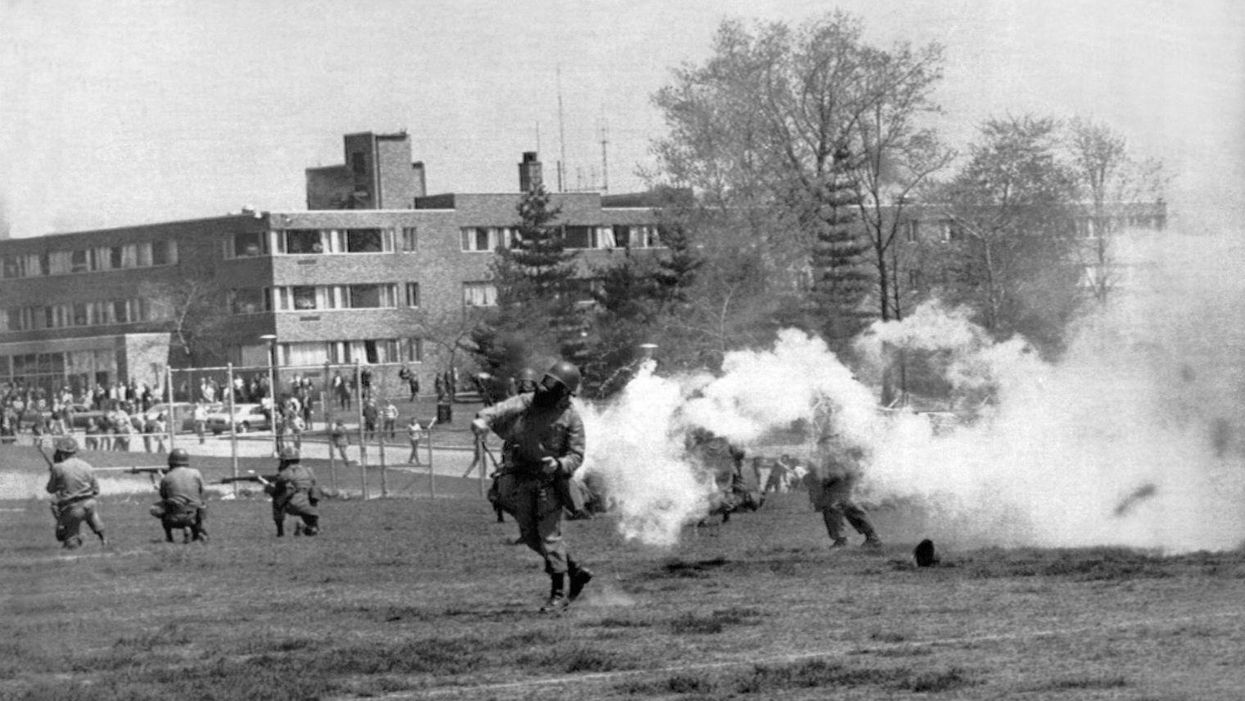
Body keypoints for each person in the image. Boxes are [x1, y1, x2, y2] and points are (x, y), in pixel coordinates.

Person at [472, 360, 592, 613]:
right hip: (522, 478)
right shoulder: (528, 401)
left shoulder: (571, 418)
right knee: (530, 537)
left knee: (549, 537)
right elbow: (502, 409)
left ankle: (558, 595)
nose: (546, 389)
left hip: (549, 482)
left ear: (565, 391)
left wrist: (559, 464)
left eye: (554, 385)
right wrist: (483, 420)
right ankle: (575, 571)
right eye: (546, 381)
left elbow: (576, 456)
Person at [804, 433, 882, 550]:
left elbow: (838, 474)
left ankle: (843, 540)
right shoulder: (833, 456)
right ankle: (871, 538)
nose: (822, 448)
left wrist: (821, 478)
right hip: (840, 485)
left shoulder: (837, 456)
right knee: (850, 509)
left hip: (841, 484)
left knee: (834, 508)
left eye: (825, 445)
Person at [44, 437, 107, 549]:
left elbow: (50, 489)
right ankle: (104, 539)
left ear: (62, 453)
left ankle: (71, 537)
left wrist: (54, 475)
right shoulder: (87, 466)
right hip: (91, 504)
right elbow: (96, 489)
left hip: (73, 508)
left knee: (70, 542)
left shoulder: (59, 468)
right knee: (92, 517)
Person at [152, 448, 208, 543]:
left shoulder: (167, 477)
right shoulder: (196, 473)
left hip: (173, 518)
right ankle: (197, 533)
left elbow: (164, 496)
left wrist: (162, 481)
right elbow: (202, 491)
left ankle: (169, 537)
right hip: (193, 515)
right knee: (201, 505)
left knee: (157, 507)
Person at [264, 447, 321, 537]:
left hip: (294, 504)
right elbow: (314, 487)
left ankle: (280, 532)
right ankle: (306, 526)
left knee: (277, 499)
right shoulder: (308, 470)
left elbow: (276, 490)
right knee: (313, 531)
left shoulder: (286, 473)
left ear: (285, 461)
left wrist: (267, 486)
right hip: (310, 507)